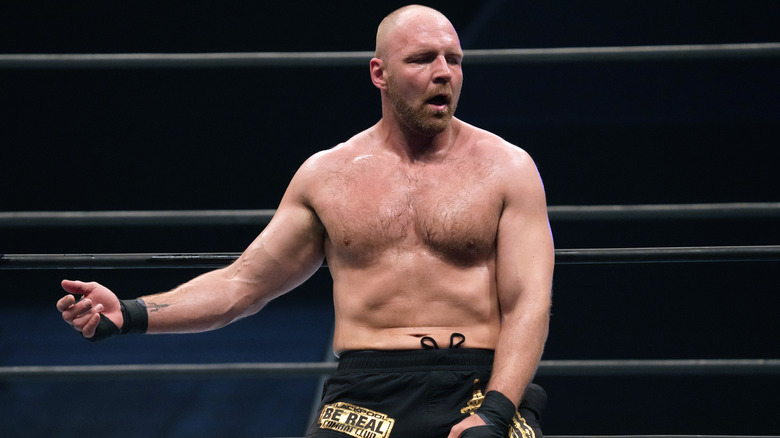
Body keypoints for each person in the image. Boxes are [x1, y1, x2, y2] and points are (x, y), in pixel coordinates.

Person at [56, 4, 554, 437]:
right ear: (379, 74)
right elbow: (241, 287)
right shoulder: (328, 175)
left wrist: (496, 409)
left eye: (454, 59)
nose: (444, 72)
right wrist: (129, 312)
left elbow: (529, 301)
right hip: (367, 391)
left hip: (482, 379)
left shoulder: (507, 168)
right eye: (423, 59)